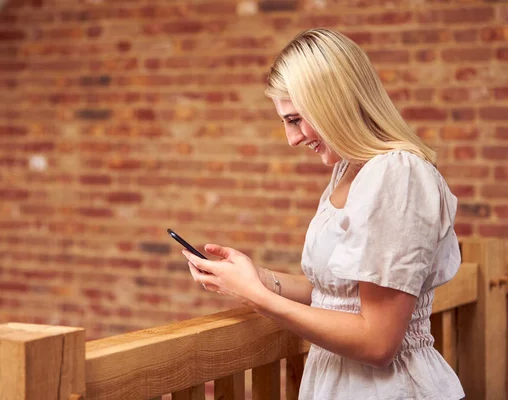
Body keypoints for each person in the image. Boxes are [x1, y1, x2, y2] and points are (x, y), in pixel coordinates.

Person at [180, 28, 464, 399]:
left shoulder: (397, 175)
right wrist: (255, 277)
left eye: (296, 119)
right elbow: (337, 294)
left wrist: (258, 298)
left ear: (334, 102)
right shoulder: (348, 171)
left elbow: (378, 342)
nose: (292, 139)